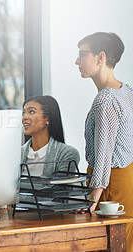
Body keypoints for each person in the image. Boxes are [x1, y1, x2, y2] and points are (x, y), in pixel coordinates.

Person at [75, 32, 133, 251]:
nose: (77, 61)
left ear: (101, 58)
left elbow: (103, 154)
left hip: (110, 185)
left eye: (82, 54)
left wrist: (91, 198)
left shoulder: (106, 99)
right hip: (127, 178)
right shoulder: (127, 92)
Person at [21, 95, 80, 176]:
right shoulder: (17, 154)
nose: (24, 117)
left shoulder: (67, 153)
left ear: (47, 119)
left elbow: (58, 188)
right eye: (23, 113)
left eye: (31, 112)